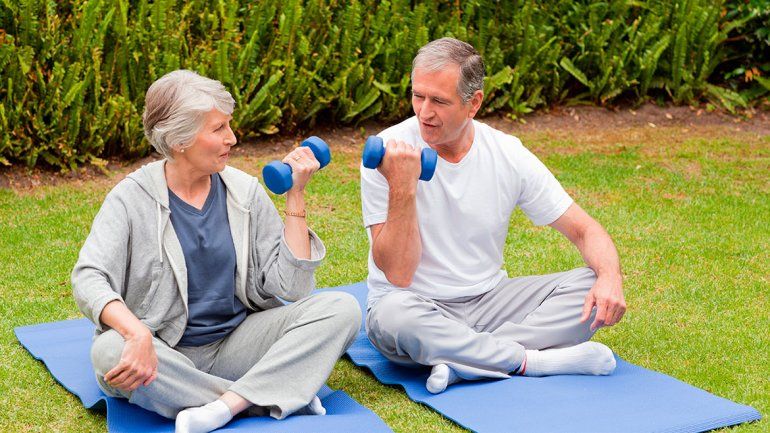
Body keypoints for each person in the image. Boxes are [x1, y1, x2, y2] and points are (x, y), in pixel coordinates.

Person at [72, 70, 361, 433]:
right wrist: (137, 335)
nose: (233, 138)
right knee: (110, 354)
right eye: (218, 128)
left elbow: (292, 288)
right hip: (166, 352)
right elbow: (89, 278)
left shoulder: (244, 192)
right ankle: (266, 396)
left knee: (341, 308)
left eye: (229, 126)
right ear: (179, 139)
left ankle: (225, 405)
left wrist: (296, 194)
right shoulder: (132, 198)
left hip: (239, 343)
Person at [360, 38, 626, 394]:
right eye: (417, 96)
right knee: (395, 318)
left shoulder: (507, 153)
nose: (423, 112)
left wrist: (610, 277)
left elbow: (584, 229)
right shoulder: (389, 151)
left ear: (474, 104)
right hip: (415, 305)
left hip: (489, 301)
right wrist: (403, 186)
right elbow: (398, 272)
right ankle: (530, 361)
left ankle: (462, 361)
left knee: (588, 287)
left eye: (438, 101)